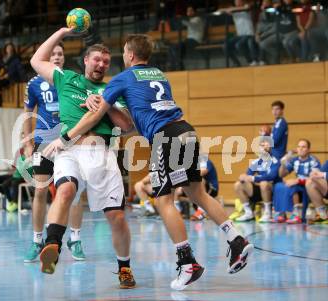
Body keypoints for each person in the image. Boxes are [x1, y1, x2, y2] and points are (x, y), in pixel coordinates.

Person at [48, 33, 254, 291]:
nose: (121, 57)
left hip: (164, 137)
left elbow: (93, 117)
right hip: (186, 130)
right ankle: (235, 239)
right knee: (197, 193)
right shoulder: (159, 74)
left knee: (163, 200)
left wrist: (67, 135)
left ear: (130, 55)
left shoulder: (122, 78)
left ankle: (187, 263)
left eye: (123, 52)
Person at [31, 28, 136, 288]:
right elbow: (36, 60)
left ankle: (124, 268)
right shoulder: (66, 78)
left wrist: (105, 102)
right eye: (96, 59)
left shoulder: (113, 88)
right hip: (68, 150)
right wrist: (63, 32)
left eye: (106, 61)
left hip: (101, 154)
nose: (101, 64)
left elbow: (127, 126)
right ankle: (52, 244)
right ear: (86, 61)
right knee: (64, 191)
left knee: (117, 218)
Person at [23, 43, 86, 263]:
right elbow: (28, 113)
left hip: (70, 143)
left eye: (60, 54)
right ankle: (36, 240)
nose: (57, 57)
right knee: (40, 191)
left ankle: (75, 239)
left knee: (75, 193)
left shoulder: (71, 81)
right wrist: (29, 143)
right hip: (44, 143)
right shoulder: (34, 84)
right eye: (52, 54)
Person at [233, 139, 281, 222]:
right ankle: (248, 212)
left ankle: (268, 213)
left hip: (273, 189)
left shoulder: (275, 160)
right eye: (262, 146)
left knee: (264, 183)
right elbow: (248, 176)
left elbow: (271, 176)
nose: (264, 148)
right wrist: (243, 177)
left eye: (266, 145)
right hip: (260, 189)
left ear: (270, 147)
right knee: (238, 185)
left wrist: (254, 178)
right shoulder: (257, 162)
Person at [276, 139, 321, 224]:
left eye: (303, 147)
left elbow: (316, 178)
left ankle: (296, 214)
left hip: (309, 188)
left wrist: (298, 180)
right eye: (299, 146)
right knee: (279, 185)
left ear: (308, 149)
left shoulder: (313, 161)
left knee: (293, 186)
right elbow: (281, 174)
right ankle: (281, 213)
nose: (300, 149)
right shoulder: (294, 160)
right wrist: (282, 164)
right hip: (299, 186)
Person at [190, 156, 220, 221]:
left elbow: (202, 173)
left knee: (200, 180)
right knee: (179, 188)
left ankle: (201, 211)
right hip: (198, 189)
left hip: (212, 188)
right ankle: (179, 210)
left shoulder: (205, 161)